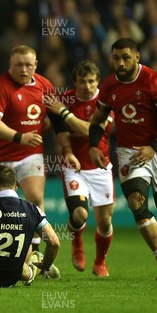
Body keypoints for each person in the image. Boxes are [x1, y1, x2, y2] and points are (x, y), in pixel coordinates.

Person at [88, 38, 157, 281]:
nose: (120, 63)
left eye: (125, 57)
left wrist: (153, 147)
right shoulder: (109, 86)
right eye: (116, 58)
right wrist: (93, 146)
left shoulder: (152, 81)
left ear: (137, 57)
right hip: (129, 152)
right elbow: (98, 118)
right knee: (135, 202)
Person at [0, 45, 77, 251]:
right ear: (10, 65)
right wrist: (20, 137)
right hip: (0, 156)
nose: (23, 69)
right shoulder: (0, 87)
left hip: (29, 155)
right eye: (18, 65)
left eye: (27, 65)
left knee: (34, 198)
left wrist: (67, 150)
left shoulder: (45, 86)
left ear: (35, 65)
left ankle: (34, 252)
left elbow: (58, 121)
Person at [44, 60, 115, 277]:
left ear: (98, 82)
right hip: (73, 167)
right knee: (80, 214)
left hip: (100, 166)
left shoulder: (106, 102)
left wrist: (64, 113)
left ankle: (100, 262)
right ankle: (77, 243)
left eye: (91, 81)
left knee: (104, 223)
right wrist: (66, 149)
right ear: (75, 82)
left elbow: (92, 131)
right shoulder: (65, 99)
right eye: (82, 81)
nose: (87, 85)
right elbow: (60, 129)